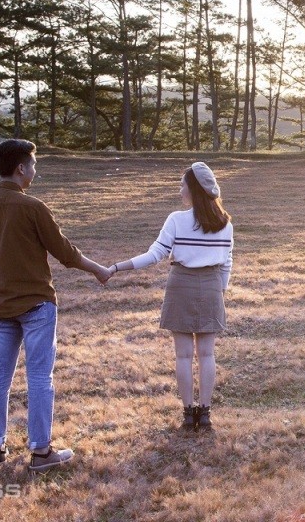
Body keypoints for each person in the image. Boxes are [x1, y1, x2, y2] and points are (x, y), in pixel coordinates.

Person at [0, 139, 112, 471]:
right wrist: (99, 271)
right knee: (39, 377)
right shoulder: (32, 208)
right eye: (33, 165)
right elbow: (66, 253)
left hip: (0, 308)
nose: (35, 171)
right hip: (37, 307)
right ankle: (41, 452)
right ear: (20, 168)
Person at [107, 162, 233, 433]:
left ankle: (189, 414)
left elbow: (154, 255)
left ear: (193, 189)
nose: (179, 190)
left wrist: (118, 266)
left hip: (181, 285)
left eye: (182, 184)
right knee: (208, 353)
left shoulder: (177, 219)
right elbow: (226, 263)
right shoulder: (225, 223)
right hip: (211, 286)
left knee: (184, 356)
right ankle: (206, 412)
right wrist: (220, 291)